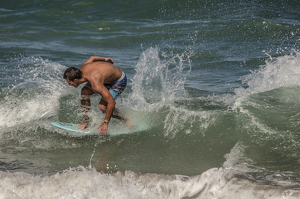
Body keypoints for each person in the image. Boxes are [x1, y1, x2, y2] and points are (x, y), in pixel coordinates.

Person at [63, 56, 129, 137]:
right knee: (84, 92)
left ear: (75, 80)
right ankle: (85, 121)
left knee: (102, 107)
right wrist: (105, 59)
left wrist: (105, 122)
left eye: (69, 83)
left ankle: (125, 119)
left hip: (118, 81)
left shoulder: (95, 83)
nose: (69, 85)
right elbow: (92, 58)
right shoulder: (81, 70)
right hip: (105, 79)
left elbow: (112, 102)